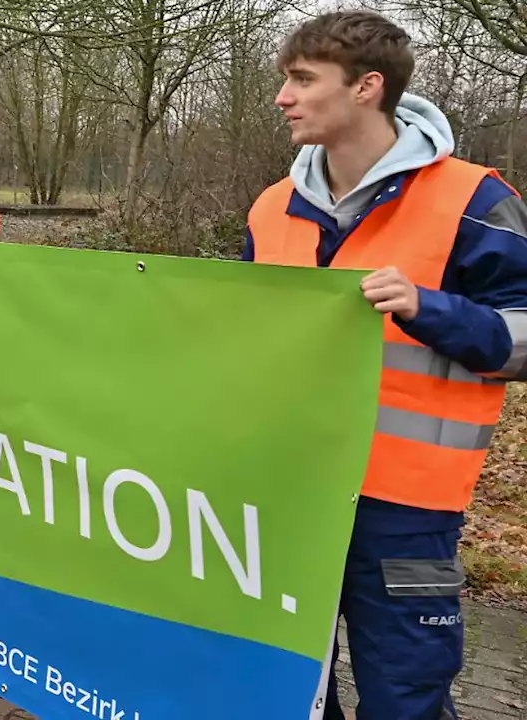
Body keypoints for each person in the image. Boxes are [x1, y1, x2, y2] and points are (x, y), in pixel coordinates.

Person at [245, 11, 527, 719]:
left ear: (368, 86)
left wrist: (426, 308)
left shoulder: (477, 201)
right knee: (286, 685)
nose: (282, 97)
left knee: (407, 695)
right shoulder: (271, 208)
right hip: (291, 494)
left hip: (410, 509)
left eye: (302, 80)